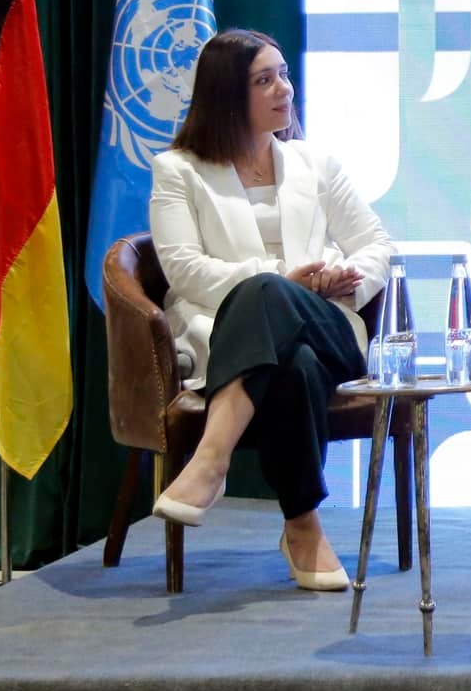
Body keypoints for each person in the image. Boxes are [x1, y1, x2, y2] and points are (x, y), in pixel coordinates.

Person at [146, 29, 392, 593]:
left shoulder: (316, 163)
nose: (285, 89)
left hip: (330, 327)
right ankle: (303, 526)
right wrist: (282, 279)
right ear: (228, 95)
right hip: (233, 338)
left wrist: (341, 279)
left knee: (275, 299)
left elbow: (376, 244)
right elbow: (183, 269)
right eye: (265, 80)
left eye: (283, 74)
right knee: (290, 360)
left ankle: (211, 460)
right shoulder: (178, 171)